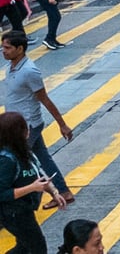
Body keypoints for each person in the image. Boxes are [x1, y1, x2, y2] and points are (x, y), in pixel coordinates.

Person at [2, 31, 75, 210]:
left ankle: (30, 198)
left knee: (19, 161)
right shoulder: (11, 67)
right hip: (15, 125)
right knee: (42, 158)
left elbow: (45, 99)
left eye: (8, 48)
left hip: (27, 126)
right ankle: (63, 191)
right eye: (3, 47)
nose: (3, 51)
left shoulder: (29, 71)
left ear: (20, 49)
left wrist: (62, 124)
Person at [0, 111, 67, 254]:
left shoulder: (24, 151)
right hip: (12, 213)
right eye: (24, 127)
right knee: (37, 247)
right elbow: (2, 193)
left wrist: (54, 192)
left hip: (24, 209)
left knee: (24, 247)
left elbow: (38, 175)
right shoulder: (6, 160)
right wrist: (32, 187)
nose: (29, 130)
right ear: (17, 133)